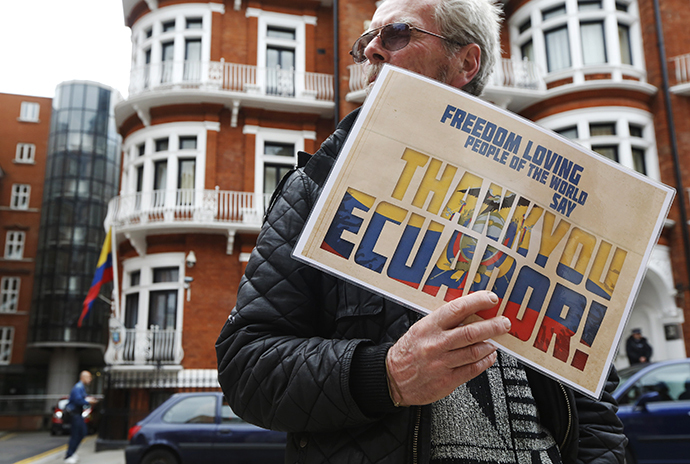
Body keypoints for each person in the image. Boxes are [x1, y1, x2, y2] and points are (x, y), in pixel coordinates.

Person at [216, 0, 627, 462]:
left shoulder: (543, 204)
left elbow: (592, 395)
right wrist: (386, 374)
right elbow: (246, 366)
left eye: (395, 34)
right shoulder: (316, 189)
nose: (371, 50)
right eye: (366, 40)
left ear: (465, 62)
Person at [64, 371, 97, 464]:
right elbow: (78, 400)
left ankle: (72, 452)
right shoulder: (78, 387)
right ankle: (69, 455)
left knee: (82, 432)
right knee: (77, 434)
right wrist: (89, 402)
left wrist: (88, 400)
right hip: (74, 414)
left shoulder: (81, 387)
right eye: (89, 377)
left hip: (77, 414)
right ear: (83, 377)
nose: (90, 379)